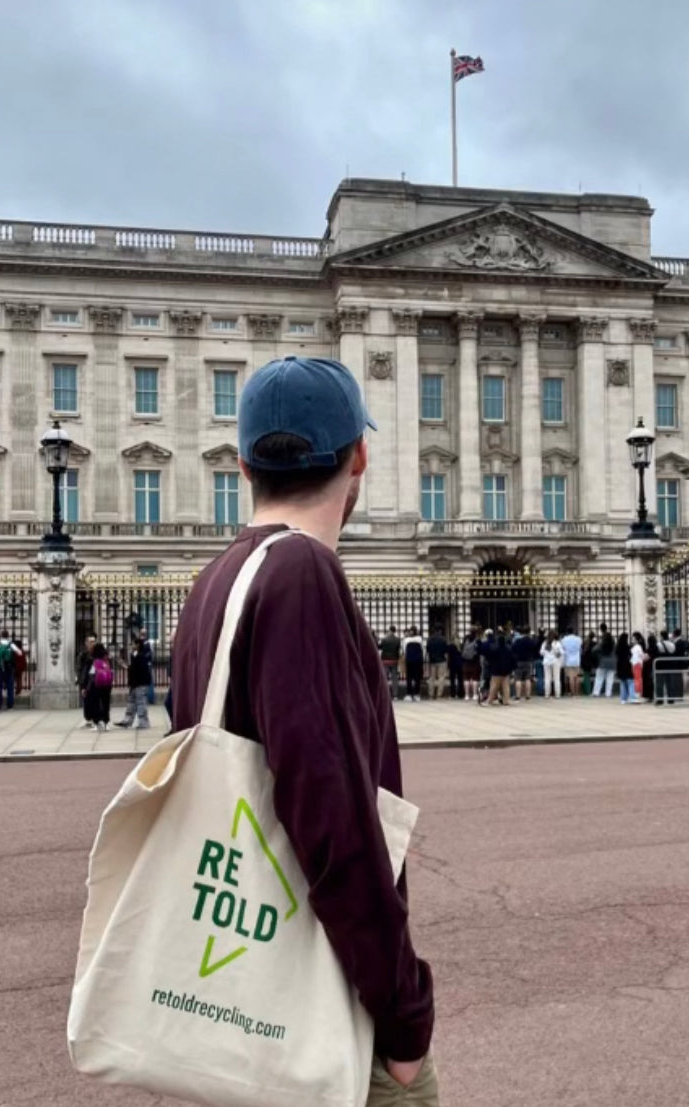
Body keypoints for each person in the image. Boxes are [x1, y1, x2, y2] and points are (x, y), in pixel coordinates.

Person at [170, 356, 436, 1100]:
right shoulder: (301, 574)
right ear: (359, 458)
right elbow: (334, 821)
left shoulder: (216, 579)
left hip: (241, 983)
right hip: (315, 1001)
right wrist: (403, 1017)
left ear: (243, 465)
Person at [114, 636, 152, 729]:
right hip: (135, 683)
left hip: (140, 683)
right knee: (131, 703)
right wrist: (125, 666)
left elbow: (138, 670)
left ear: (138, 645)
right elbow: (133, 668)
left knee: (141, 703)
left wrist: (127, 667)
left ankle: (143, 722)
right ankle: (127, 721)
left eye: (133, 644)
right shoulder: (135, 655)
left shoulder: (141, 656)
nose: (131, 645)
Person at [84, 642, 113, 731]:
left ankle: (98, 723)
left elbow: (91, 675)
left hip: (96, 686)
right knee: (106, 703)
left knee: (96, 704)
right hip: (107, 685)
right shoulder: (107, 660)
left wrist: (87, 688)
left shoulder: (94, 661)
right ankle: (106, 722)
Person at [0, 631, 22, 711]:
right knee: (10, 687)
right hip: (9, 667)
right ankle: (10, 705)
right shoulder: (11, 644)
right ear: (8, 636)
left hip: (0, 668)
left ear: (1, 636)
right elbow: (20, 653)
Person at [486, 634, 516, 706]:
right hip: (506, 670)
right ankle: (506, 700)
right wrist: (511, 668)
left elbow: (489, 659)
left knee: (494, 686)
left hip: (496, 670)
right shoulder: (509, 649)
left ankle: (490, 700)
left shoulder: (493, 649)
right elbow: (513, 659)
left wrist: (490, 667)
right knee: (506, 686)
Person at [511, 626, 539, 701]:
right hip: (528, 661)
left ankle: (518, 695)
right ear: (529, 632)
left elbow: (512, 649)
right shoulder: (531, 641)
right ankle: (528, 695)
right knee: (527, 678)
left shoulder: (518, 641)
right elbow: (535, 649)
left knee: (518, 679)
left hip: (519, 661)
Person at [77, 634, 97, 728]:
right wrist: (80, 679)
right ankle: (88, 719)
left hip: (94, 680)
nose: (92, 644)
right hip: (85, 679)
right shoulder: (83, 654)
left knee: (94, 700)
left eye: (93, 642)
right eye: (90, 642)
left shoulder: (97, 654)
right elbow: (80, 668)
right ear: (86, 643)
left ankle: (94, 719)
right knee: (86, 701)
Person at [592, 623, 616, 698]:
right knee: (610, 678)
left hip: (603, 661)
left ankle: (596, 692)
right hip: (612, 661)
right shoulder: (613, 642)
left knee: (599, 677)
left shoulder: (602, 642)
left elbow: (595, 649)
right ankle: (608, 693)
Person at [425, 625, 449, 701]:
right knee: (441, 678)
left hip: (432, 660)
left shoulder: (430, 639)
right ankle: (439, 695)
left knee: (432, 678)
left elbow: (427, 650)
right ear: (440, 630)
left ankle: (431, 694)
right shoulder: (443, 639)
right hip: (442, 660)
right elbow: (446, 650)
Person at [402, 626, 425, 702]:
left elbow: (404, 650)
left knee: (409, 678)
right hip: (418, 660)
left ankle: (409, 694)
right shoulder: (420, 639)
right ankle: (416, 694)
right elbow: (423, 649)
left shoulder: (406, 640)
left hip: (409, 660)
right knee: (417, 678)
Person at [379, 625, 402, 701]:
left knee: (384, 678)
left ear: (389, 630)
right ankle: (395, 695)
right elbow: (398, 649)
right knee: (394, 678)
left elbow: (380, 647)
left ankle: (384, 694)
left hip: (385, 660)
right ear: (395, 631)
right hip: (394, 660)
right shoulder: (397, 640)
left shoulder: (384, 639)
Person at [653, 630, 676, 705]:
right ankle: (671, 699)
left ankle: (660, 699)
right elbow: (673, 652)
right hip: (670, 665)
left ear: (661, 636)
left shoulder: (659, 644)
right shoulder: (672, 644)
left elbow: (656, 652)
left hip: (661, 665)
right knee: (670, 682)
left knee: (659, 683)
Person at [540, 630, 564, 699]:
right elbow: (561, 653)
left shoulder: (544, 643)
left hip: (546, 662)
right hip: (555, 661)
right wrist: (556, 653)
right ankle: (557, 694)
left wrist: (546, 653)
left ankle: (547, 694)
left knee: (547, 678)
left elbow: (541, 652)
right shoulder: (557, 643)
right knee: (556, 678)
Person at [560, 627, 583, 695]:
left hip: (568, 660)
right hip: (577, 660)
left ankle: (572, 692)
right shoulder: (578, 639)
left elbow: (562, 648)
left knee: (571, 677)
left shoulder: (564, 640)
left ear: (567, 632)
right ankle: (577, 692)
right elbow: (580, 648)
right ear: (574, 631)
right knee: (577, 676)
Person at [460, 631, 480, 702]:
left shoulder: (465, 641)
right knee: (475, 679)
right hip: (474, 662)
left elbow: (461, 651)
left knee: (466, 679)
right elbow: (479, 651)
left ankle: (466, 695)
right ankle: (474, 694)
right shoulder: (477, 641)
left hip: (466, 663)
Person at [616, 632, 636, 703]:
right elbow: (630, 655)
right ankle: (632, 697)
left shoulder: (618, 647)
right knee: (630, 681)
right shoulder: (627, 647)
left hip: (620, 665)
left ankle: (623, 698)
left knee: (623, 682)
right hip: (627, 665)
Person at [139, 628, 156, 705]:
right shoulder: (149, 643)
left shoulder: (138, 643)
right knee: (149, 682)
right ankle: (150, 698)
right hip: (148, 664)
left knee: (141, 682)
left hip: (141, 664)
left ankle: (143, 698)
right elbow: (152, 654)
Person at [643, 633, 658, 703]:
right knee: (654, 681)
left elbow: (645, 658)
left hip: (648, 667)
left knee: (649, 682)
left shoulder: (648, 649)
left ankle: (650, 696)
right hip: (655, 666)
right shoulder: (656, 648)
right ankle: (655, 695)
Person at [631, 631, 647, 698]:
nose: (632, 640)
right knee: (638, 678)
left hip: (636, 664)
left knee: (637, 679)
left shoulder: (637, 647)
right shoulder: (638, 647)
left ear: (636, 640)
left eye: (633, 638)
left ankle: (637, 692)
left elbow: (641, 655)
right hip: (637, 664)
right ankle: (638, 692)